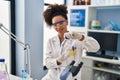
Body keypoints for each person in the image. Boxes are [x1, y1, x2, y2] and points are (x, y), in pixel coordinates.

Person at [42, 4, 100, 80]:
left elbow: (96, 47)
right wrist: (59, 60)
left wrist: (81, 37)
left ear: (67, 22)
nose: (58, 27)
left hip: (71, 77)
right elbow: (47, 63)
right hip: (52, 77)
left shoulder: (77, 39)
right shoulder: (51, 41)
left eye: (61, 23)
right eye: (55, 24)